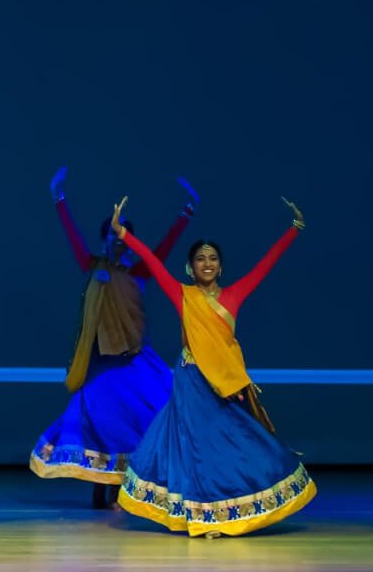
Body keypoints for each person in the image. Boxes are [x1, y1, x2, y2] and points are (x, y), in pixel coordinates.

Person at [112, 196, 316, 537]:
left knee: (233, 443)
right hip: (191, 382)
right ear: (190, 268)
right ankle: (203, 516)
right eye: (200, 259)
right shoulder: (183, 295)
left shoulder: (234, 295)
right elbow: (151, 260)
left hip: (222, 385)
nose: (207, 263)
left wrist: (294, 230)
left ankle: (228, 509)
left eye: (213, 259)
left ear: (220, 267)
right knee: (195, 447)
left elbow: (267, 264)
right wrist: (123, 234)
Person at [30, 168, 196, 508]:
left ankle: (130, 486)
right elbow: (73, 237)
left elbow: (164, 246)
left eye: (123, 236)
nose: (118, 241)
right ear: (105, 238)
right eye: (112, 235)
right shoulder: (93, 265)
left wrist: (187, 211)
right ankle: (98, 486)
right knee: (98, 421)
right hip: (102, 363)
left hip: (135, 360)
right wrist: (58, 197)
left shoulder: (141, 270)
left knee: (152, 414)